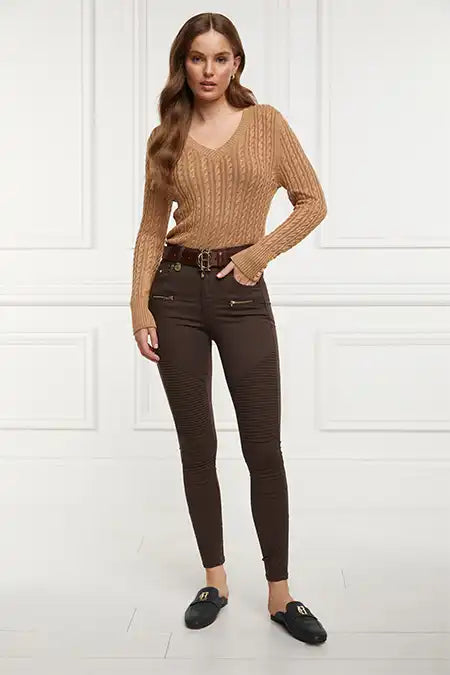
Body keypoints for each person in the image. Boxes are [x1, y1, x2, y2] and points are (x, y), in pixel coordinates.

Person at [129, 12, 328, 644]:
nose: (208, 70)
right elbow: (151, 230)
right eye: (197, 58)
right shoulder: (166, 135)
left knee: (262, 447)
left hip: (242, 294)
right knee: (197, 445)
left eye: (220, 58)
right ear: (183, 64)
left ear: (236, 62)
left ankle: (280, 594)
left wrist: (255, 257)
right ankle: (214, 580)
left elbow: (312, 202)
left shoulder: (266, 124)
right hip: (175, 296)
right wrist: (138, 307)